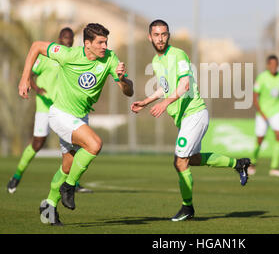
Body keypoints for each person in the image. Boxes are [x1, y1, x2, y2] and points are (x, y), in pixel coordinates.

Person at [131, 19, 251, 222]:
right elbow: (165, 87)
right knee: (191, 159)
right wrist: (147, 101)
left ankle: (187, 208)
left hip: (194, 114)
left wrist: (164, 103)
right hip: (184, 118)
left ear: (168, 35)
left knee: (179, 161)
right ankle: (238, 164)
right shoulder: (156, 62)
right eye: (156, 35)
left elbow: (184, 85)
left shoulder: (178, 55)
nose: (160, 38)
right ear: (149, 37)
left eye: (164, 34)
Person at [18, 23, 134, 225]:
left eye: (106, 42)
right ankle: (69, 186)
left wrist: (123, 79)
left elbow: (128, 91)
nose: (104, 46)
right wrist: (25, 77)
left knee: (67, 165)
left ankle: (49, 206)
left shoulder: (110, 58)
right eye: (100, 42)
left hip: (81, 117)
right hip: (60, 114)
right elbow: (36, 46)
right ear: (87, 44)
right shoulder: (68, 54)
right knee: (95, 144)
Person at [7, 28, 91, 194]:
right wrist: (37, 88)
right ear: (59, 38)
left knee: (75, 144)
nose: (68, 40)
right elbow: (30, 72)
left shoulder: (73, 56)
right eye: (65, 37)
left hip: (65, 109)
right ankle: (17, 176)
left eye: (70, 38)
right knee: (38, 143)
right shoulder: (47, 57)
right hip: (45, 107)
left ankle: (73, 182)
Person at [249, 55, 279, 177]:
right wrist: (261, 113)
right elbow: (254, 97)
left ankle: (274, 167)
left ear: (278, 65)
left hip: (277, 111)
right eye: (271, 64)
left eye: (275, 64)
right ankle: (252, 163)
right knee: (260, 139)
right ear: (268, 65)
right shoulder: (262, 77)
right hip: (262, 112)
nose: (273, 67)